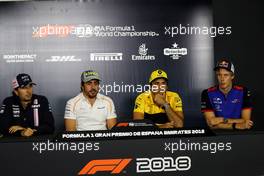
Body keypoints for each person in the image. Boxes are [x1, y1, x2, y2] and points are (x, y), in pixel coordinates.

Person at [201, 59, 253, 130]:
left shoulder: (244, 91)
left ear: (232, 76)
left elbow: (246, 121)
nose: (222, 79)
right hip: (217, 136)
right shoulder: (207, 93)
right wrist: (236, 125)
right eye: (219, 75)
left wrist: (221, 120)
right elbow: (211, 123)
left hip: (240, 135)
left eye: (226, 75)